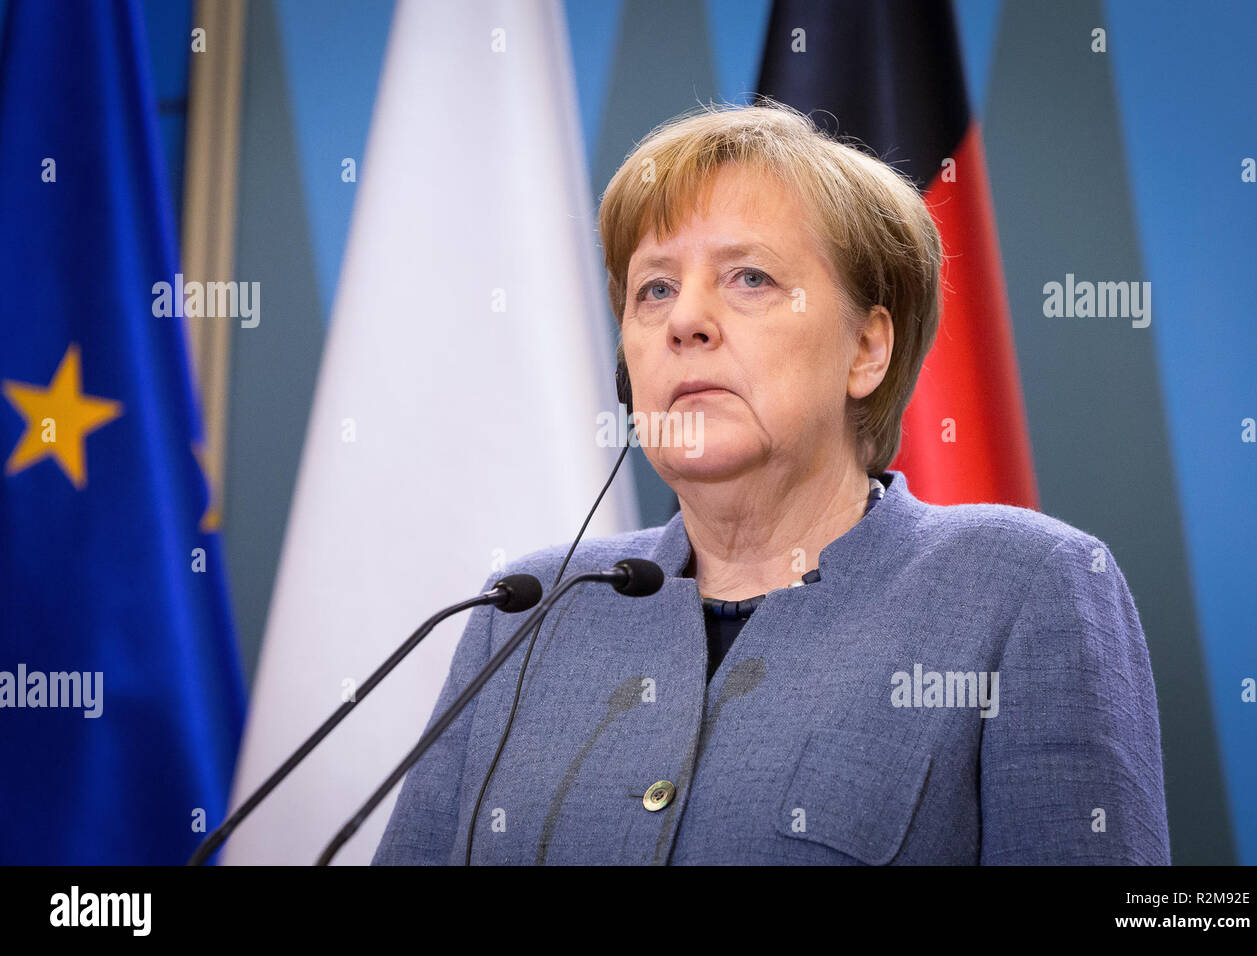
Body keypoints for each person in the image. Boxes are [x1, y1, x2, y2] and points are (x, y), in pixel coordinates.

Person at [372, 100, 1171, 865]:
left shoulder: (1021, 587)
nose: (685, 319)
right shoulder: (525, 610)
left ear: (866, 350)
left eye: (749, 278)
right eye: (654, 288)